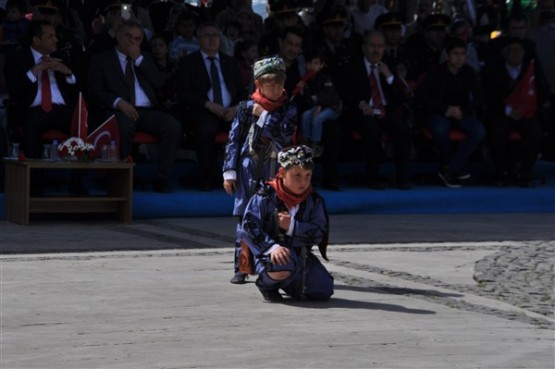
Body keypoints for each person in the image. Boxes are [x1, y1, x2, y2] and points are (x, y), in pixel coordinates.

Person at [223, 56, 297, 284]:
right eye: (270, 84)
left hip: (275, 168)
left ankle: (270, 263)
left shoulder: (288, 108)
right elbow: (234, 139)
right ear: (259, 85)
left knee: (273, 215)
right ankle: (241, 265)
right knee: (245, 214)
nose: (275, 89)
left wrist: (263, 116)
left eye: (279, 84)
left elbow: (283, 134)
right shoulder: (246, 108)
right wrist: (229, 171)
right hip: (249, 166)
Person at [87, 19, 181, 193]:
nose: (132, 42)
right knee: (123, 125)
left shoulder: (145, 58)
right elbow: (94, 91)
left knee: (172, 125)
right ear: (118, 36)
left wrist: (138, 58)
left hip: (146, 111)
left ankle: (162, 177)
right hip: (118, 109)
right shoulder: (102, 59)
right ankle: (122, 175)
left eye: (137, 39)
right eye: (128, 37)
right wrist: (118, 102)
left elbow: (160, 83)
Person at [239, 145, 333, 302]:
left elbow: (319, 232)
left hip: (300, 254)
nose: (303, 181)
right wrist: (272, 248)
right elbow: (249, 226)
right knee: (282, 264)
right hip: (268, 254)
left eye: (307, 175)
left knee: (323, 291)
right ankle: (266, 284)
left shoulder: (314, 201)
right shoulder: (265, 196)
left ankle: (289, 280)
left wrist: (292, 227)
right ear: (282, 173)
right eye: (297, 175)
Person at [176, 21, 246, 191]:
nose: (211, 39)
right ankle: (207, 176)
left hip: (230, 110)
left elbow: (243, 91)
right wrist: (208, 105)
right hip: (203, 110)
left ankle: (243, 176)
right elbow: (182, 92)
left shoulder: (230, 62)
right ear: (198, 39)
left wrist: (236, 108)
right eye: (206, 35)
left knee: (249, 126)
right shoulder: (188, 62)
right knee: (206, 128)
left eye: (215, 35)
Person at [339, 31, 412, 190]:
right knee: (372, 130)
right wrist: (361, 104)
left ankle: (402, 179)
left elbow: (401, 97)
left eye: (380, 46)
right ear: (364, 47)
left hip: (385, 110)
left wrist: (389, 78)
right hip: (363, 111)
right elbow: (346, 93)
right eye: (372, 46)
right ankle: (372, 178)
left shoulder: (388, 65)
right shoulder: (353, 66)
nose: (376, 50)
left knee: (402, 130)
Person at [416, 37, 485, 188]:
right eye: (455, 53)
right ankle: (451, 169)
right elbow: (421, 95)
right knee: (441, 129)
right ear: (448, 55)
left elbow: (479, 97)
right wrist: (444, 109)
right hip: (437, 111)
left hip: (461, 112)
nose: (459, 57)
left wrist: (463, 110)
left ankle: (450, 168)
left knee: (478, 131)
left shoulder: (468, 72)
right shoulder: (436, 72)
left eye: (462, 54)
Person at [4, 19, 78, 159]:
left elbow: (77, 92)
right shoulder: (17, 59)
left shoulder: (60, 58)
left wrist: (68, 74)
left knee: (83, 123)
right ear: (37, 40)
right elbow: (15, 91)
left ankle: (79, 175)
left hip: (61, 109)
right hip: (33, 109)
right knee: (33, 123)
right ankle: (32, 174)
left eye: (55, 35)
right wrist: (35, 71)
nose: (56, 40)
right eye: (50, 36)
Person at [485, 38, 546, 187]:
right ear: (505, 53)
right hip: (502, 113)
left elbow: (542, 91)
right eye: (512, 50)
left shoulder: (532, 69)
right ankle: (501, 172)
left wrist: (527, 108)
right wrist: (507, 110)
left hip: (526, 112)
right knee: (497, 132)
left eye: (520, 50)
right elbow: (488, 95)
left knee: (535, 132)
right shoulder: (494, 70)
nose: (516, 54)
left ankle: (525, 173)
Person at [299, 50, 342, 158]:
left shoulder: (325, 78)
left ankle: (315, 144)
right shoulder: (307, 80)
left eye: (316, 63)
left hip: (332, 107)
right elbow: (309, 101)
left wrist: (320, 105)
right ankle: (305, 142)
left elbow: (328, 95)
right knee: (305, 115)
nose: (312, 66)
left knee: (317, 118)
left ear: (321, 65)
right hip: (317, 106)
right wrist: (303, 92)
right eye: (309, 63)